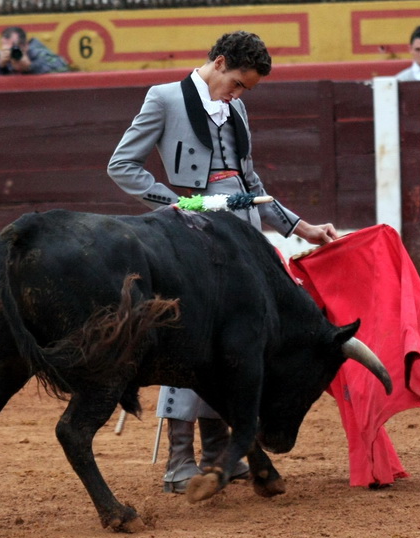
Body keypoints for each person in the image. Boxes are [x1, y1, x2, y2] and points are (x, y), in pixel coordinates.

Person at [107, 31, 337, 494]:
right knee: (192, 339)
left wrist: (300, 227)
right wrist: (175, 204)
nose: (237, 95)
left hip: (243, 230)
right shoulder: (165, 98)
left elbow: (251, 181)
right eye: (235, 84)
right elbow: (122, 165)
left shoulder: (237, 106)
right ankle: (179, 461)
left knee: (233, 345)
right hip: (194, 236)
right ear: (218, 61)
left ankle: (218, 458)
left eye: (245, 90)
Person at [0, 26, 69, 76]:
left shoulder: (37, 53)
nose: (10, 52)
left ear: (25, 46)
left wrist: (30, 67)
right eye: (6, 48)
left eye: (14, 48)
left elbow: (63, 67)